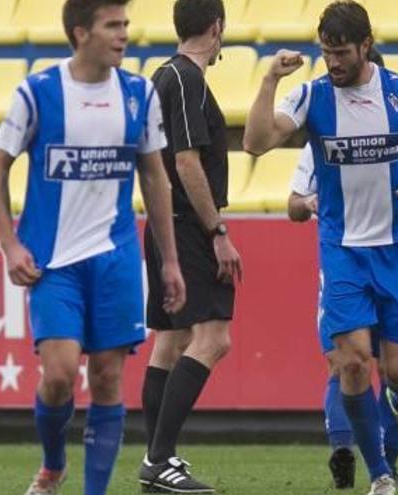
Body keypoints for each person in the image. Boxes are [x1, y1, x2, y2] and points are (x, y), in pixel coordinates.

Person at [244, 2, 398, 493]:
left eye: (340, 53)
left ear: (365, 46)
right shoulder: (313, 95)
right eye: (325, 53)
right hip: (343, 251)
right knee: (352, 361)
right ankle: (381, 474)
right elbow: (255, 143)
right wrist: (269, 80)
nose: (332, 62)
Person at [0, 1, 185, 494]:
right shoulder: (38, 94)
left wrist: (171, 260)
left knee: (108, 379)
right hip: (53, 263)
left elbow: (155, 176)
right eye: (112, 26)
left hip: (113, 258)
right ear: (81, 33)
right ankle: (53, 465)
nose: (124, 35)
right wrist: (9, 245)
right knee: (57, 375)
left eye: (125, 25)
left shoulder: (139, 93)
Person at [287, 47, 398, 490]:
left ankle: (397, 415)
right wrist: (307, 202)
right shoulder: (321, 129)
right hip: (344, 259)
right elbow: (293, 204)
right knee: (347, 362)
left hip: (397, 256)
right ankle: (372, 468)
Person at [137, 0, 242, 493]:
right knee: (213, 337)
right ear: (216, 27)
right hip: (185, 225)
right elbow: (185, 162)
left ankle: (159, 460)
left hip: (163, 224)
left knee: (170, 340)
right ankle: (159, 459)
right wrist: (217, 231)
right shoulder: (186, 80)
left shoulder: (163, 76)